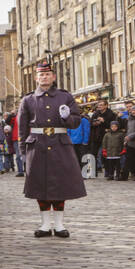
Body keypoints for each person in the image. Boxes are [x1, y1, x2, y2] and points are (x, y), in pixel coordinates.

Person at [18, 61, 86, 237]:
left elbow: (76, 121)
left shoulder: (65, 97)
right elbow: (22, 128)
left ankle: (59, 224)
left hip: (60, 145)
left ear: (53, 77)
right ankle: (45, 225)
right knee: (41, 185)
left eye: (47, 74)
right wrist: (23, 153)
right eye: (41, 75)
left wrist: (66, 118)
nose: (44, 77)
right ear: (36, 78)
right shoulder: (28, 99)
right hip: (37, 145)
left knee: (60, 185)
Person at [126, 104, 135, 182]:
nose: (133, 111)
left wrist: (131, 136)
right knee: (131, 160)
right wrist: (126, 138)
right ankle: (133, 173)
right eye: (132, 110)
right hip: (130, 143)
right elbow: (128, 130)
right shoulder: (130, 119)